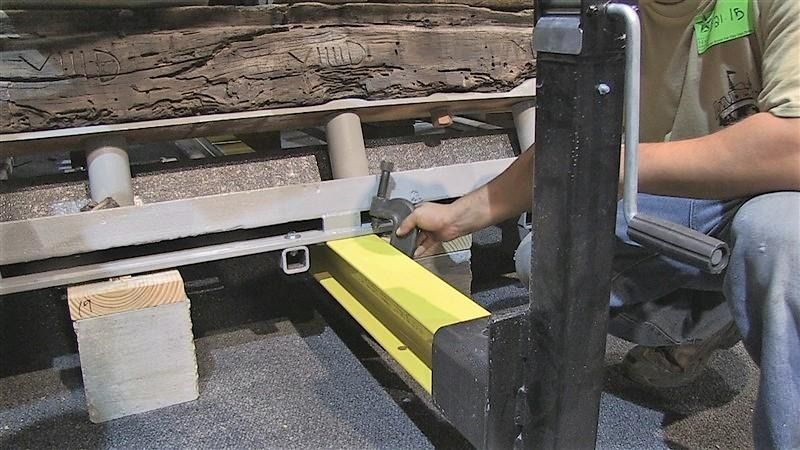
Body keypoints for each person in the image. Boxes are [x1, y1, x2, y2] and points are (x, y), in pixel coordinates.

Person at [397, 0, 799, 447]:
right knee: (549, 255)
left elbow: (792, 147)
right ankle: (712, 319)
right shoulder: (612, 11)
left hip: (778, 192)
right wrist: (455, 218)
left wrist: (611, 163)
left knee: (779, 240)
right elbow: (571, 139)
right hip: (683, 196)